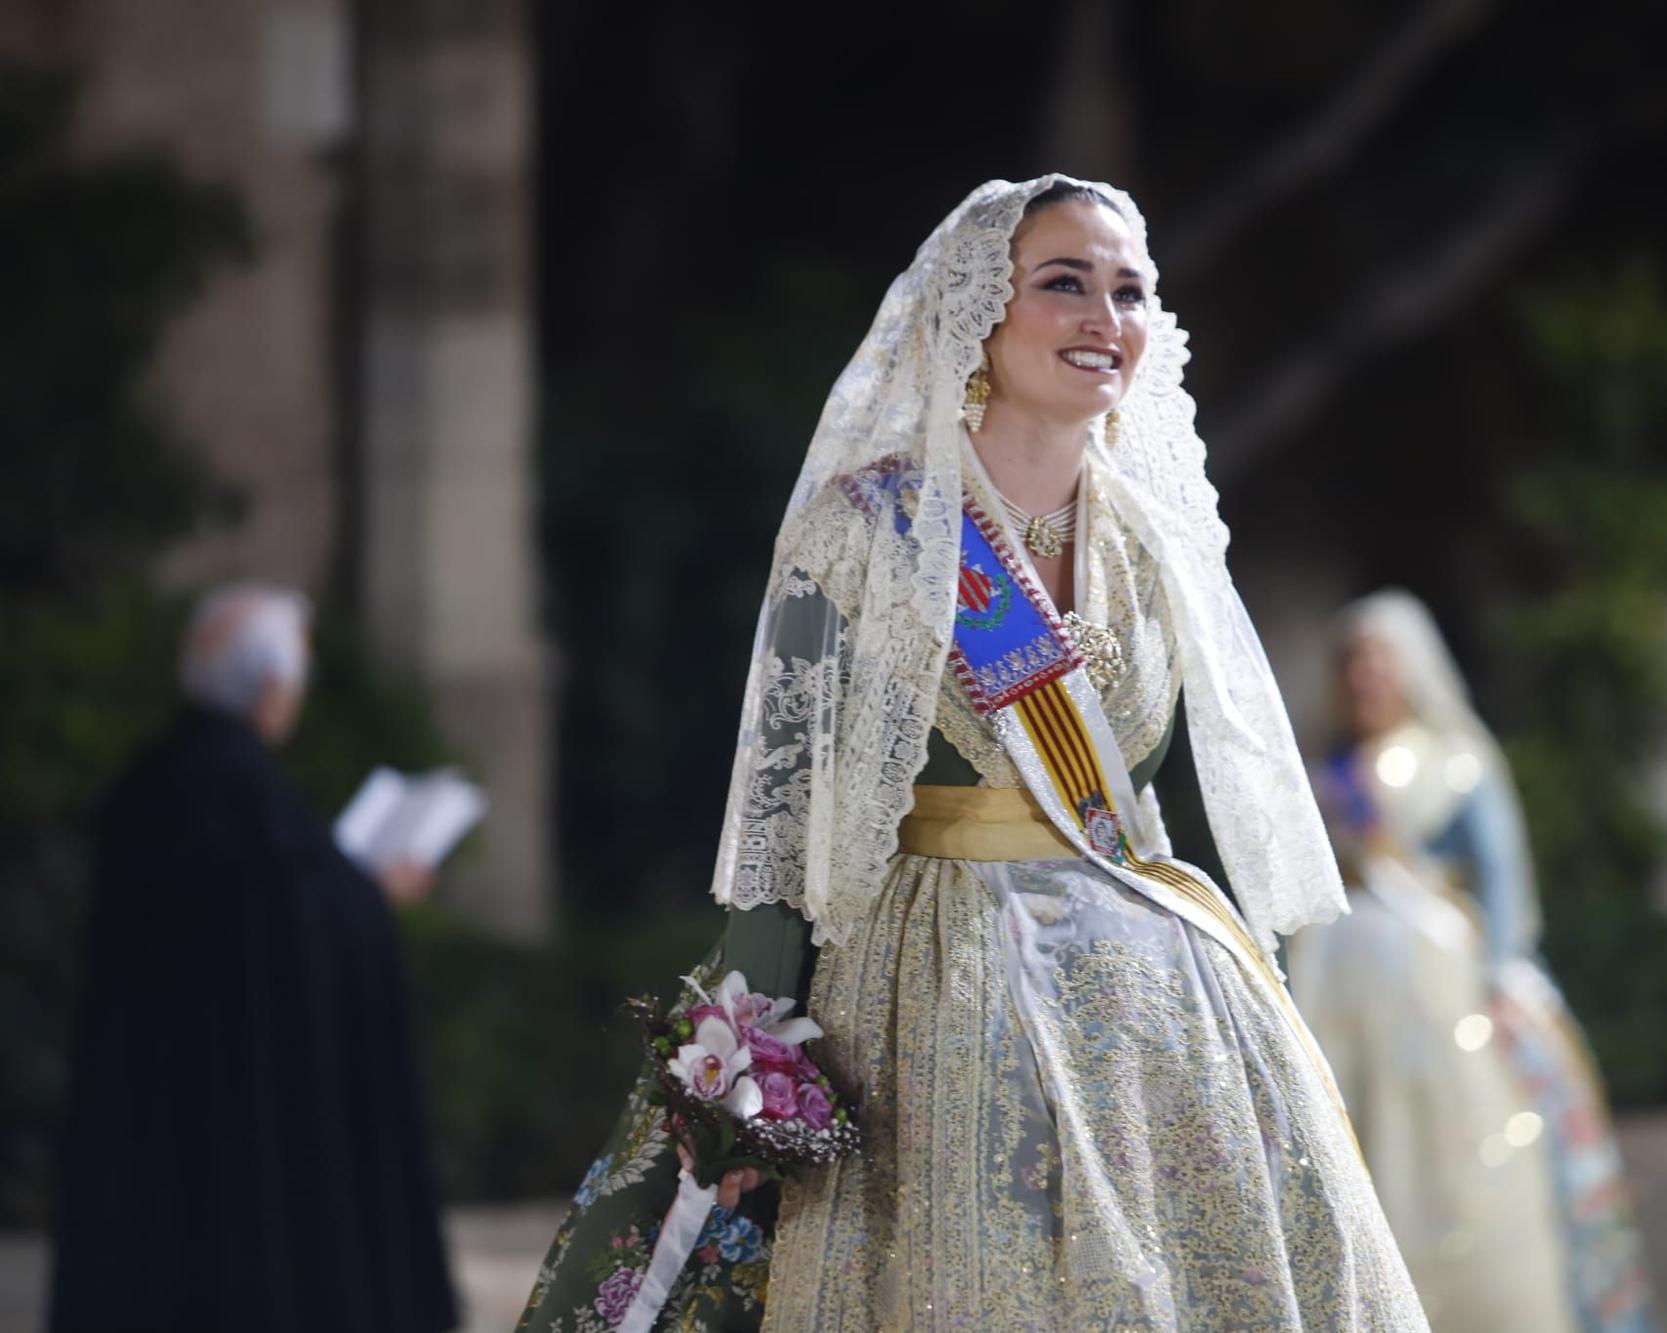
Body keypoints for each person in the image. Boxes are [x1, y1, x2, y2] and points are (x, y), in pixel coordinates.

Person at [518, 176, 1428, 1331]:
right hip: (930, 1002)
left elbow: (1132, 812)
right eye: (1063, 283)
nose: (1104, 315)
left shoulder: (1153, 547)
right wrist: (745, 1079)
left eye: (1129, 290)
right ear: (973, 316)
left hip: (1145, 1036)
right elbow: (788, 827)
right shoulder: (867, 529)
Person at [49, 583, 459, 1333]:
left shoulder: (151, 778)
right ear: (273, 686)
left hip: (155, 1097)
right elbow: (302, 925)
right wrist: (376, 895)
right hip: (247, 1109)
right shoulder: (246, 795)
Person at [1287, 589, 1656, 1333]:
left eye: (1378, 659)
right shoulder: (1324, 768)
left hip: (1443, 994)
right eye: (1352, 660)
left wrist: (1504, 972)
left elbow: (1502, 875)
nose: (1364, 676)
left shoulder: (1456, 761)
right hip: (1339, 990)